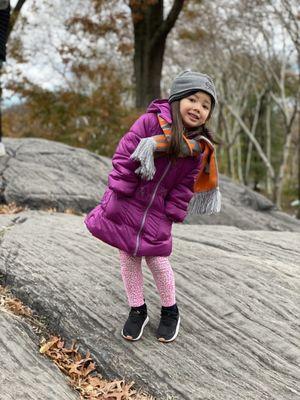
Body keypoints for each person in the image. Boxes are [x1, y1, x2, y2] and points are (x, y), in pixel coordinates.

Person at [85, 70, 221, 343]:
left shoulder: (196, 147)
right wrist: (121, 188)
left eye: (206, 106)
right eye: (193, 100)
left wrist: (174, 210)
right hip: (130, 199)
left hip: (158, 210)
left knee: (158, 260)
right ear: (177, 99)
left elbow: (186, 183)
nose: (198, 108)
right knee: (128, 257)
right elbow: (125, 152)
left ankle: (170, 309)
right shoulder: (150, 123)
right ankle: (138, 309)